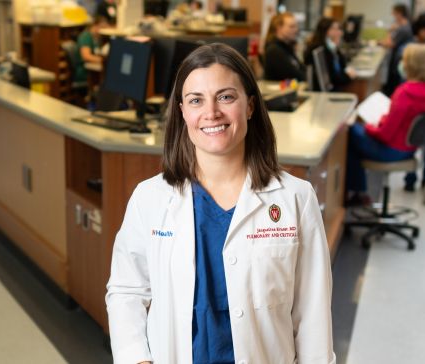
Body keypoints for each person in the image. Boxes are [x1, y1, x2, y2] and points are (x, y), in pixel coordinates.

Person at [106, 43, 335, 363]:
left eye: (226, 97)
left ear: (250, 105)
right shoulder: (151, 198)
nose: (211, 112)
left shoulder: (295, 198)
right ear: (182, 110)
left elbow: (313, 313)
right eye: (196, 100)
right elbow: (127, 291)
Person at [346, 43, 425, 204]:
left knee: (350, 130)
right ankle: (357, 191)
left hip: (390, 150)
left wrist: (370, 126)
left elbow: (384, 135)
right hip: (409, 149)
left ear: (410, 65)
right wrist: (385, 120)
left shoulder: (404, 92)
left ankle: (358, 193)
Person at [396, 12, 425, 191]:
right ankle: (410, 177)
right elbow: (403, 72)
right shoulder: (407, 48)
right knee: (412, 139)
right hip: (412, 101)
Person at [303, 17, 356, 91]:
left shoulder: (331, 47)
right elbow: (333, 78)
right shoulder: (318, 50)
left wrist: (336, 48)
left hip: (332, 90)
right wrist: (348, 76)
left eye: (339, 29)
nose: (340, 33)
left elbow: (343, 66)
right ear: (325, 31)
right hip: (322, 93)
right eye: (335, 29)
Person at [381, 3, 413, 96]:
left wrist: (390, 31)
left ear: (400, 13)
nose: (393, 15)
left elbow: (390, 44)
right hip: (396, 58)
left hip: (398, 59)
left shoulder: (404, 28)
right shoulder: (401, 27)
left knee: (393, 83)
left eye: (394, 13)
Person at [263, 12, 305, 81]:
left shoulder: (287, 47)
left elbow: (301, 68)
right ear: (279, 28)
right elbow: (297, 76)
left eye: (296, 26)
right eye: (292, 26)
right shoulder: (274, 51)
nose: (296, 30)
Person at [73, 15, 110, 84]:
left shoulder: (98, 38)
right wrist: (104, 61)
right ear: (95, 26)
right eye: (102, 27)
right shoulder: (85, 37)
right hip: (85, 71)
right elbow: (86, 56)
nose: (104, 30)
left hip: (94, 69)